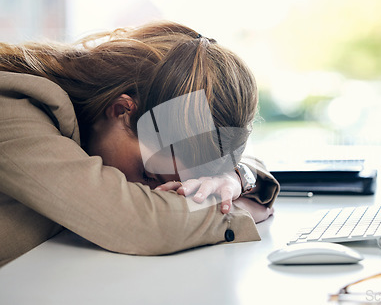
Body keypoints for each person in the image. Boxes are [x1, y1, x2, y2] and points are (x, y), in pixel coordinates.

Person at [0, 21, 280, 267]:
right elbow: (135, 221)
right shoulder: (15, 108)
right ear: (121, 110)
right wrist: (234, 212)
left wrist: (232, 179)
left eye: (178, 184)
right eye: (149, 175)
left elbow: (240, 161)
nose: (159, 192)